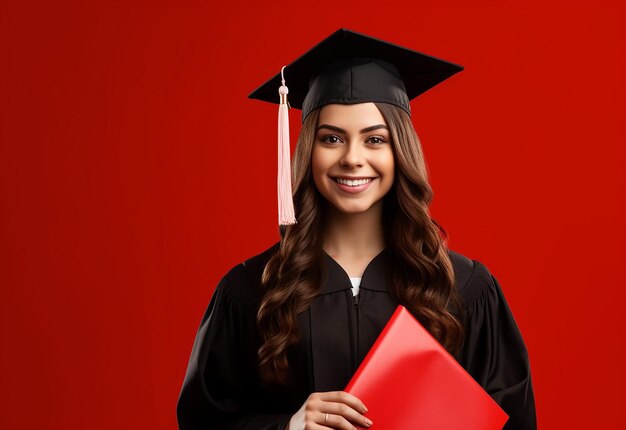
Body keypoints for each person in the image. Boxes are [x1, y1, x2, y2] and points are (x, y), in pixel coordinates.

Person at [177, 29, 537, 430]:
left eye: (374, 139)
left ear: (400, 151)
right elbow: (203, 422)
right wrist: (289, 426)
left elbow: (513, 422)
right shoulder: (251, 291)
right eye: (331, 138)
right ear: (307, 151)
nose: (352, 158)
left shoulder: (464, 288)